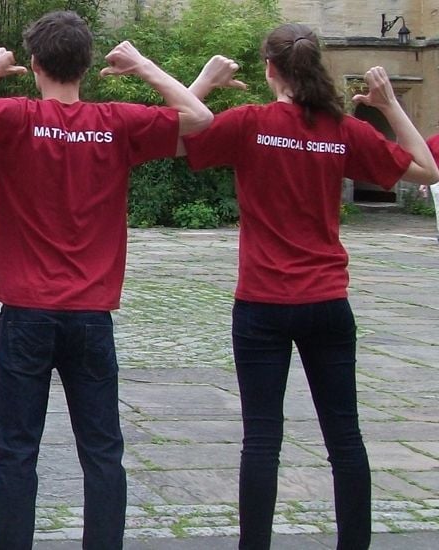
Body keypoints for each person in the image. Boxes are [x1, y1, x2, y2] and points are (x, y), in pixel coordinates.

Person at [0, 11, 212, 550]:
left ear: (34, 63)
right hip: (90, 314)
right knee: (102, 450)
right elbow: (198, 118)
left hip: (27, 312)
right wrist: (143, 66)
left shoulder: (18, 117)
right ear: (87, 64)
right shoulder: (116, 121)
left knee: (16, 450)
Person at [182, 25, 438, 550]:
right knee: (345, 439)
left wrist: (204, 83)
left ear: (269, 69)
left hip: (261, 303)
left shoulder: (249, 123)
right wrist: (390, 104)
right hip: (326, 301)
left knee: (261, 440)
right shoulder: (343, 129)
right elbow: (427, 170)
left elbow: (172, 135)